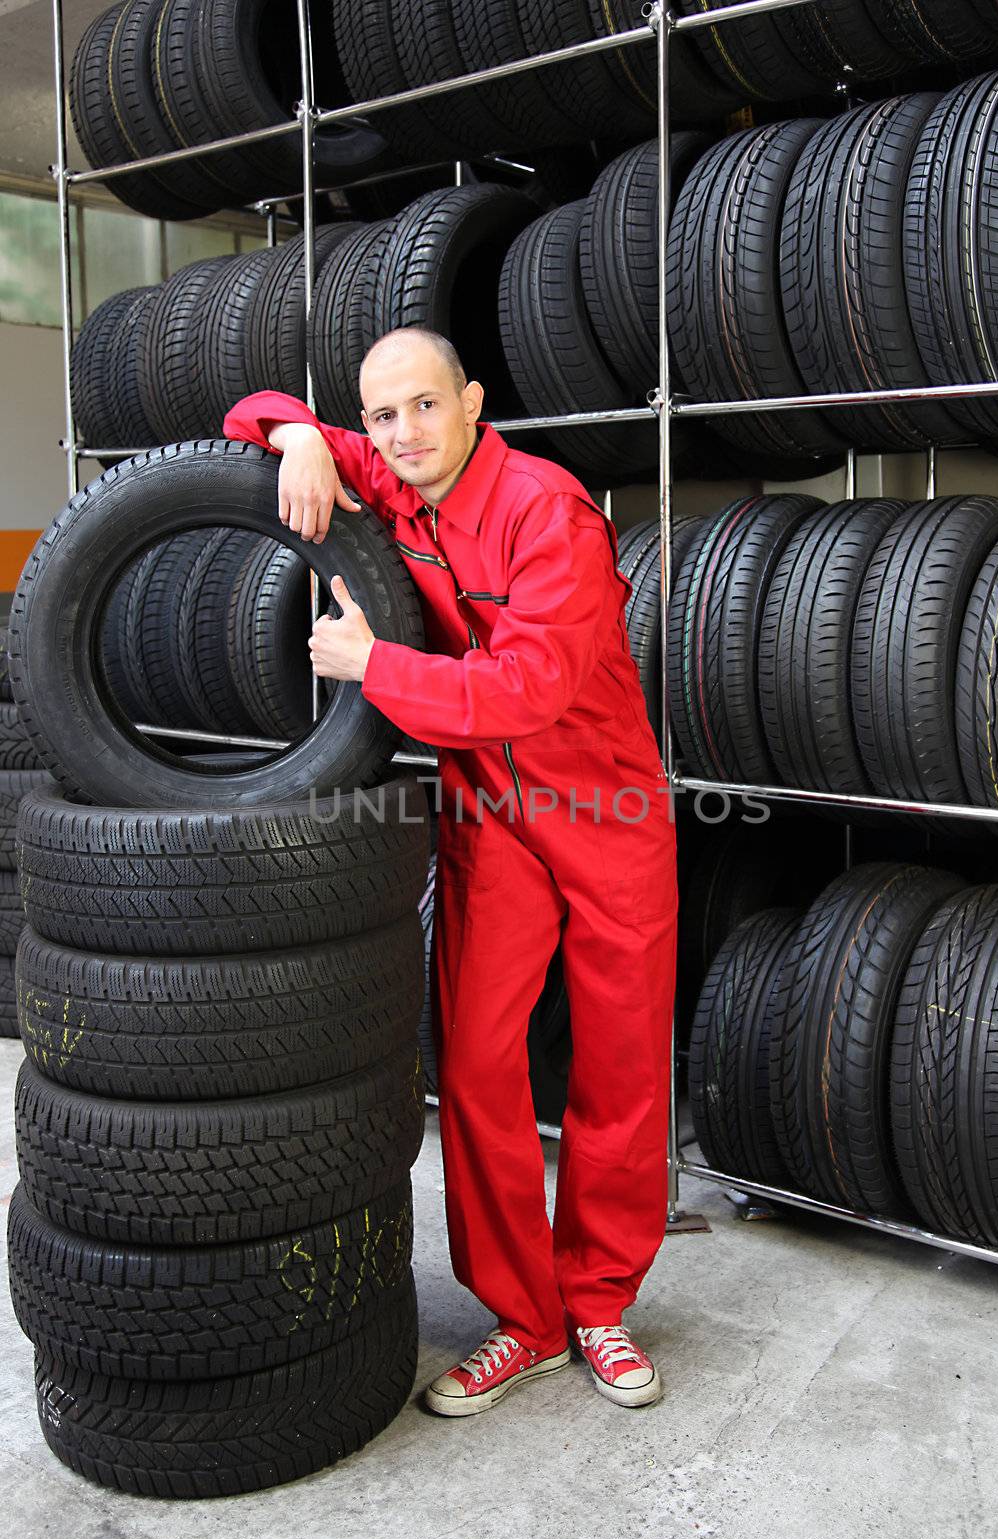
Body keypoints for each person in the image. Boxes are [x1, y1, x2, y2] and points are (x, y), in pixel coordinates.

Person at [222, 327, 678, 1414]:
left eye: (424, 406)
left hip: (605, 807)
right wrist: (294, 435)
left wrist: (374, 665)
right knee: (476, 1064)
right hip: (493, 815)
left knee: (618, 1069)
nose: (402, 434)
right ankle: (526, 1321)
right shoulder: (392, 473)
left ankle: (600, 1302)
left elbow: (526, 688)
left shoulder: (546, 511)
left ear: (471, 402)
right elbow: (249, 407)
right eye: (382, 417)